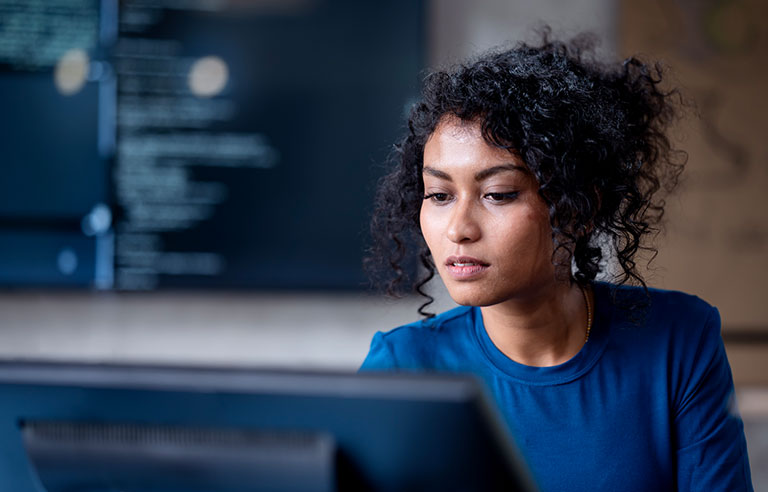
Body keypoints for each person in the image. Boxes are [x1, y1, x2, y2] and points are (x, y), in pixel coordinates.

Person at [360, 33, 753, 491]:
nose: (458, 229)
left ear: (577, 208)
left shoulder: (678, 340)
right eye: (440, 195)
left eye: (497, 194)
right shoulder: (403, 367)